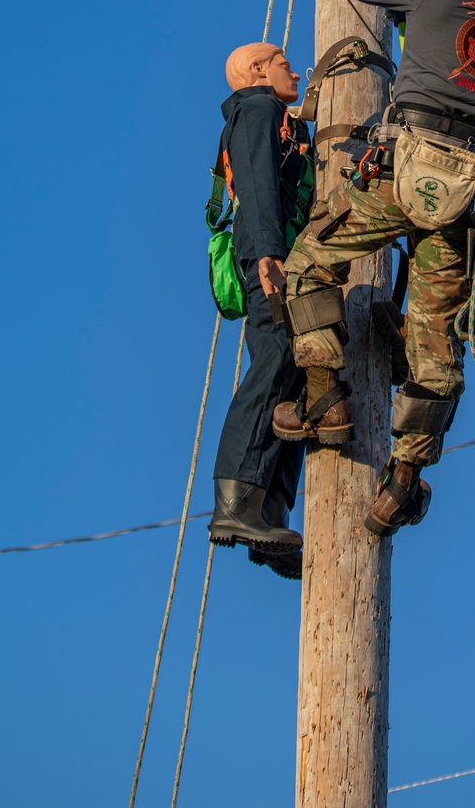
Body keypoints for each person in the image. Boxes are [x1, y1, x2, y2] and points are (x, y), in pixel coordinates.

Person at [272, 0, 475, 538]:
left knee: (308, 264)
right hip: (467, 188)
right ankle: (402, 483)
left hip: (401, 172)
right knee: (434, 344)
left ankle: (323, 396)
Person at [208, 41, 314, 580]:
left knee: (298, 375)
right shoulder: (257, 109)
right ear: (255, 73)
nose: (291, 68)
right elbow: (255, 182)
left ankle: (269, 511)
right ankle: (235, 503)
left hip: (289, 258)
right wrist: (270, 253)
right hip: (272, 259)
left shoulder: (281, 117)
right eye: (281, 62)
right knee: (275, 362)